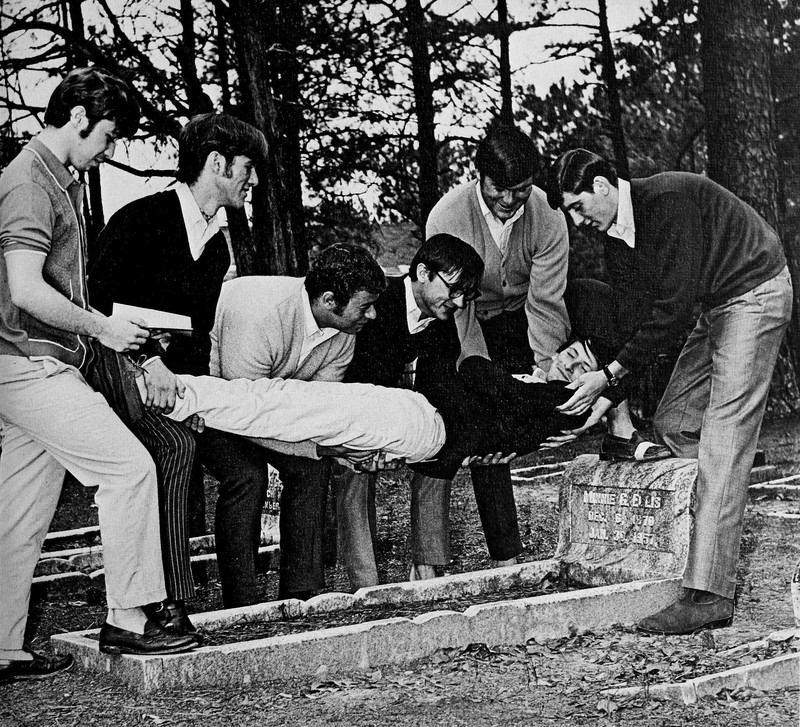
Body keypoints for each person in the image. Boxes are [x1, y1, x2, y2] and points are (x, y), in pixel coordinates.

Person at [0, 67, 196, 683]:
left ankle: (2, 645)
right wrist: (102, 328)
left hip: (29, 362)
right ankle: (129, 619)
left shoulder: (52, 179)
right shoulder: (29, 182)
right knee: (130, 468)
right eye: (108, 136)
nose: (109, 150)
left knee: (21, 510)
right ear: (79, 117)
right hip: (29, 363)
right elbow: (25, 289)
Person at [546, 148, 793, 634]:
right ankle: (706, 538)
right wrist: (607, 398)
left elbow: (673, 310)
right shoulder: (617, 239)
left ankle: (709, 593)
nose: (577, 221)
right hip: (717, 305)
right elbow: (635, 325)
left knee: (722, 439)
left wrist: (608, 375)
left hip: (755, 291)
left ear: (601, 186)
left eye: (577, 206)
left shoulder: (666, 201)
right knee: (673, 421)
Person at [89, 112, 268, 626]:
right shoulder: (138, 220)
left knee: (246, 471)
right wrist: (148, 360)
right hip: (112, 376)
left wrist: (194, 397)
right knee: (175, 447)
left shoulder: (215, 246)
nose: (254, 181)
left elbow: (195, 337)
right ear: (217, 163)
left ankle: (243, 606)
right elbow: (95, 311)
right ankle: (166, 602)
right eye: (247, 168)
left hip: (175, 390)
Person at [207, 242, 387, 600]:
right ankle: (241, 602)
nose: (373, 315)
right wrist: (318, 447)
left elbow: (317, 408)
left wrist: (340, 447)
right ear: (329, 300)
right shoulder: (261, 313)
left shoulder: (344, 332)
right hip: (215, 405)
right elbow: (244, 412)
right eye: (364, 306)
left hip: (268, 411)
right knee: (247, 475)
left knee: (310, 469)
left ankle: (301, 593)